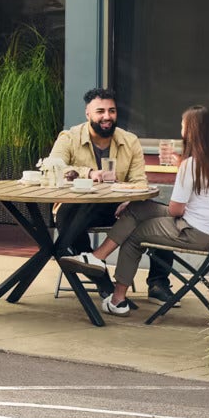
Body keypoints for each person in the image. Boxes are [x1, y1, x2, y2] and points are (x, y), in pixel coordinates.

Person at [66, 105, 209, 316]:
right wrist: (181, 166)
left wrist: (182, 169)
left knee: (134, 235)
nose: (181, 130)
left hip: (196, 233)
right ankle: (96, 257)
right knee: (138, 207)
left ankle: (117, 299)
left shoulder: (191, 165)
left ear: (192, 131)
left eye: (183, 126)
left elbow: (176, 210)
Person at [47, 87, 178, 304]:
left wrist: (130, 200)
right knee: (70, 218)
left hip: (116, 207)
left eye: (112, 111)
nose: (107, 116)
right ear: (88, 114)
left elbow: (139, 181)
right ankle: (104, 283)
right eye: (100, 111)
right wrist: (88, 173)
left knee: (159, 216)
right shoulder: (69, 138)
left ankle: (158, 283)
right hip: (77, 205)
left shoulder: (129, 141)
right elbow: (53, 168)